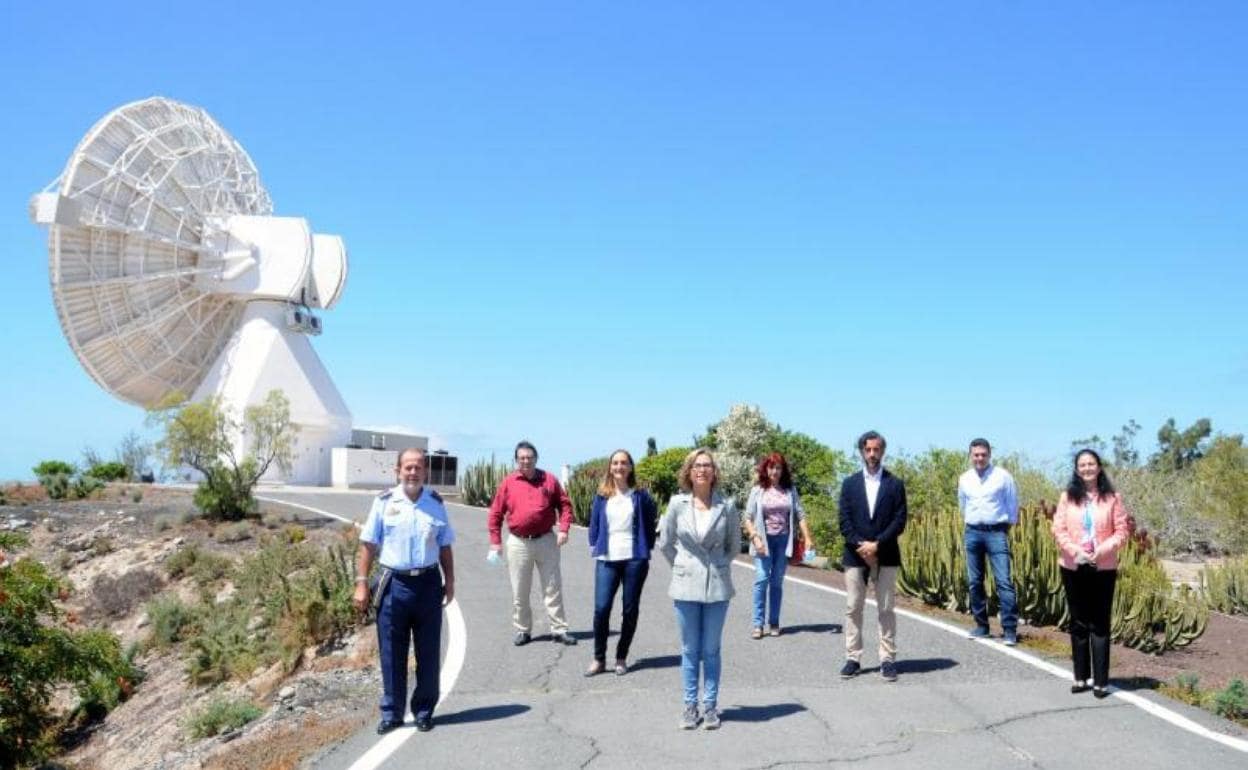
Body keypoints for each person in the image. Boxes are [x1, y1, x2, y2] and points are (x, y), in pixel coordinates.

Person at [353, 448, 455, 734]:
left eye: (418, 468)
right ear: (397, 471)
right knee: (391, 652)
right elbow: (368, 544)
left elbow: (445, 545)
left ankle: (423, 710)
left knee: (428, 651)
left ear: (426, 472)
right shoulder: (384, 502)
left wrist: (451, 581)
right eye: (408, 467)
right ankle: (392, 713)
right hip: (393, 584)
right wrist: (361, 582)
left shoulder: (435, 504)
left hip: (428, 584)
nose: (413, 472)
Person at [657, 448, 738, 731]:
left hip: (717, 585)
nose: (702, 470)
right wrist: (681, 566)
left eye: (707, 465)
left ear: (714, 472)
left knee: (711, 649)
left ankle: (711, 706)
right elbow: (665, 543)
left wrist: (718, 566)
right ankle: (690, 706)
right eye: (697, 466)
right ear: (689, 472)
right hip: (684, 584)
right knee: (690, 649)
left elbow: (732, 545)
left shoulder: (726, 505)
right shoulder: (677, 504)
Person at [1051, 448, 1131, 699]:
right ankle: (1080, 676)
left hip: (1102, 566)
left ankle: (1101, 681)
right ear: (1077, 469)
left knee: (1099, 623)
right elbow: (1058, 529)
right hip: (1074, 565)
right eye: (1082, 465)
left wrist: (1102, 550)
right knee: (1078, 622)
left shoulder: (1112, 498)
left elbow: (1121, 531)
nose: (1087, 468)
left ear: (1099, 467)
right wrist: (1075, 550)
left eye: (1091, 464)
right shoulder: (1067, 498)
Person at [487, 440, 577, 646]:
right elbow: (495, 514)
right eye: (521, 458)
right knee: (520, 590)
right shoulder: (508, 483)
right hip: (519, 543)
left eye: (529, 457)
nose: (525, 461)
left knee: (553, 587)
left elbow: (565, 505)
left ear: (536, 458)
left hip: (546, 540)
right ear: (516, 460)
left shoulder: (549, 480)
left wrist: (564, 529)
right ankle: (523, 630)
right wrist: (495, 542)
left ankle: (559, 629)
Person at [838, 430, 908, 682]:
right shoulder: (849, 484)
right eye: (868, 450)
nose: (872, 454)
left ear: (882, 451)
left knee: (886, 609)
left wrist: (877, 545)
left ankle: (887, 659)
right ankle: (853, 658)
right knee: (853, 607)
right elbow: (844, 520)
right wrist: (862, 546)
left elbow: (900, 520)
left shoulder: (895, 484)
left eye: (876, 450)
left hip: (886, 553)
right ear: (861, 452)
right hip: (855, 555)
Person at [585, 449, 659, 676]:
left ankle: (621, 657)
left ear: (630, 467)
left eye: (624, 463)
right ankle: (599, 659)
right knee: (601, 609)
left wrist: (645, 548)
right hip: (607, 558)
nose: (619, 467)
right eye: (615, 463)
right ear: (610, 467)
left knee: (630, 609)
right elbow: (594, 524)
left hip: (634, 559)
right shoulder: (601, 496)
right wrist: (594, 545)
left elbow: (650, 521)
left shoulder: (640, 496)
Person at [743, 452, 815, 639]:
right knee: (761, 579)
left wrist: (807, 537)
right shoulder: (758, 490)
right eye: (771, 467)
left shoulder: (790, 491)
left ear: (783, 471)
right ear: (765, 469)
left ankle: (774, 622)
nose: (774, 471)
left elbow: (800, 515)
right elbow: (748, 518)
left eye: (778, 468)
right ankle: (758, 624)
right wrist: (755, 537)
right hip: (763, 540)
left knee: (776, 582)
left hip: (783, 541)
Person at [957, 438, 1020, 645]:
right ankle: (981, 626)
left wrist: (1005, 527)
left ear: (989, 454)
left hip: (996, 532)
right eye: (976, 455)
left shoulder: (1003, 476)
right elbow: (962, 505)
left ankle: (1009, 629)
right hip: (972, 532)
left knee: (1003, 581)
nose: (980, 458)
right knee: (975, 581)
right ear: (970, 455)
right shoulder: (965, 478)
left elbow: (1012, 505)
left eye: (983, 454)